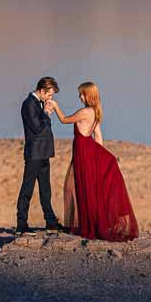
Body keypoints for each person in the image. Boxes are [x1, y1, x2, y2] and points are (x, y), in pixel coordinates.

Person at [47, 81, 138, 242]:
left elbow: (64, 119)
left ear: (88, 95)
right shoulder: (96, 112)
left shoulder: (85, 112)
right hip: (87, 153)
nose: (79, 96)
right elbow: (99, 137)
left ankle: (89, 226)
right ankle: (91, 223)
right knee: (88, 188)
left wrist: (54, 105)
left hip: (83, 153)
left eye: (81, 94)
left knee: (81, 187)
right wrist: (98, 159)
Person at [16, 77, 66, 233]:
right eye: (49, 95)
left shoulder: (40, 104)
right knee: (27, 188)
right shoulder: (29, 103)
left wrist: (46, 113)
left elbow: (45, 127)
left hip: (43, 153)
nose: (50, 98)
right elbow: (37, 128)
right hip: (34, 154)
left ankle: (50, 222)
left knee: (46, 189)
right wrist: (45, 113)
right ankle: (21, 224)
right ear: (42, 91)